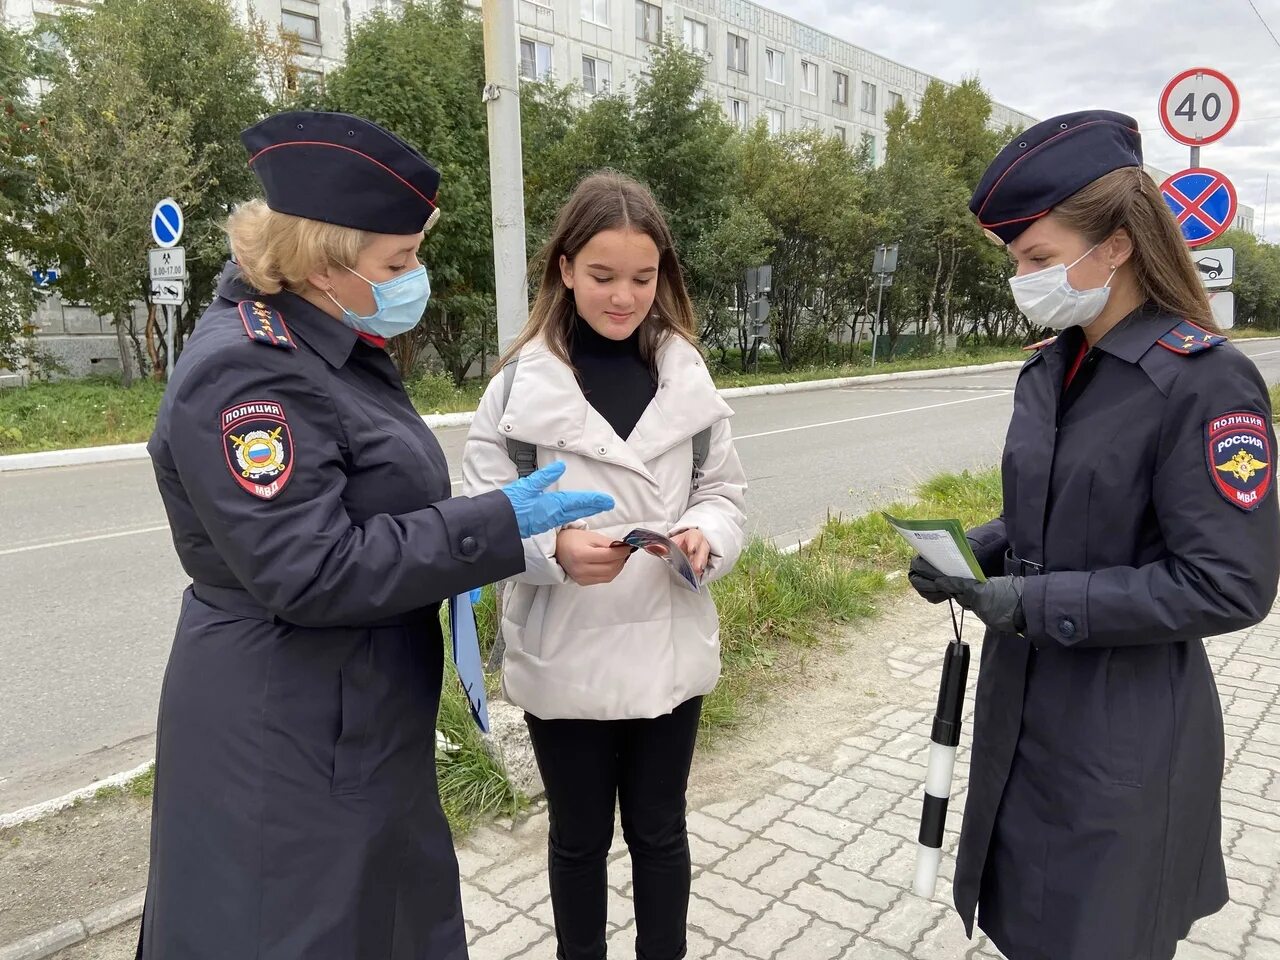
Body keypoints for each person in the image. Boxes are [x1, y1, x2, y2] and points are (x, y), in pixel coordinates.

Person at [136, 111, 614, 960]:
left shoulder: (324, 342)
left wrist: (484, 536)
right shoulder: (249, 372)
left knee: (380, 924)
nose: (414, 277)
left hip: (348, 719)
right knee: (291, 931)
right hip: (283, 732)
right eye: (398, 262)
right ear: (323, 263)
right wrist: (493, 525)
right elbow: (310, 570)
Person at [908, 110, 1280, 960]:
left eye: (1039, 259)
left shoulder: (1203, 382)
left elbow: (1229, 583)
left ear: (1114, 246)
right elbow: (1053, 509)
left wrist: (1033, 603)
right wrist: (975, 555)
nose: (1024, 279)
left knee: (1096, 932)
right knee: (1027, 925)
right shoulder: (1052, 367)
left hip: (1123, 729)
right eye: (1017, 262)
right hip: (1024, 713)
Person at [461, 171, 747, 960]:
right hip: (566, 656)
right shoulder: (517, 391)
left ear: (664, 276)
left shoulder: (686, 373)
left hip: (667, 647)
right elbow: (482, 513)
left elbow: (724, 490)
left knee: (661, 834)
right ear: (564, 269)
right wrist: (550, 552)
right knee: (578, 841)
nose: (624, 297)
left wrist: (703, 536)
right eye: (602, 276)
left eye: (643, 278)